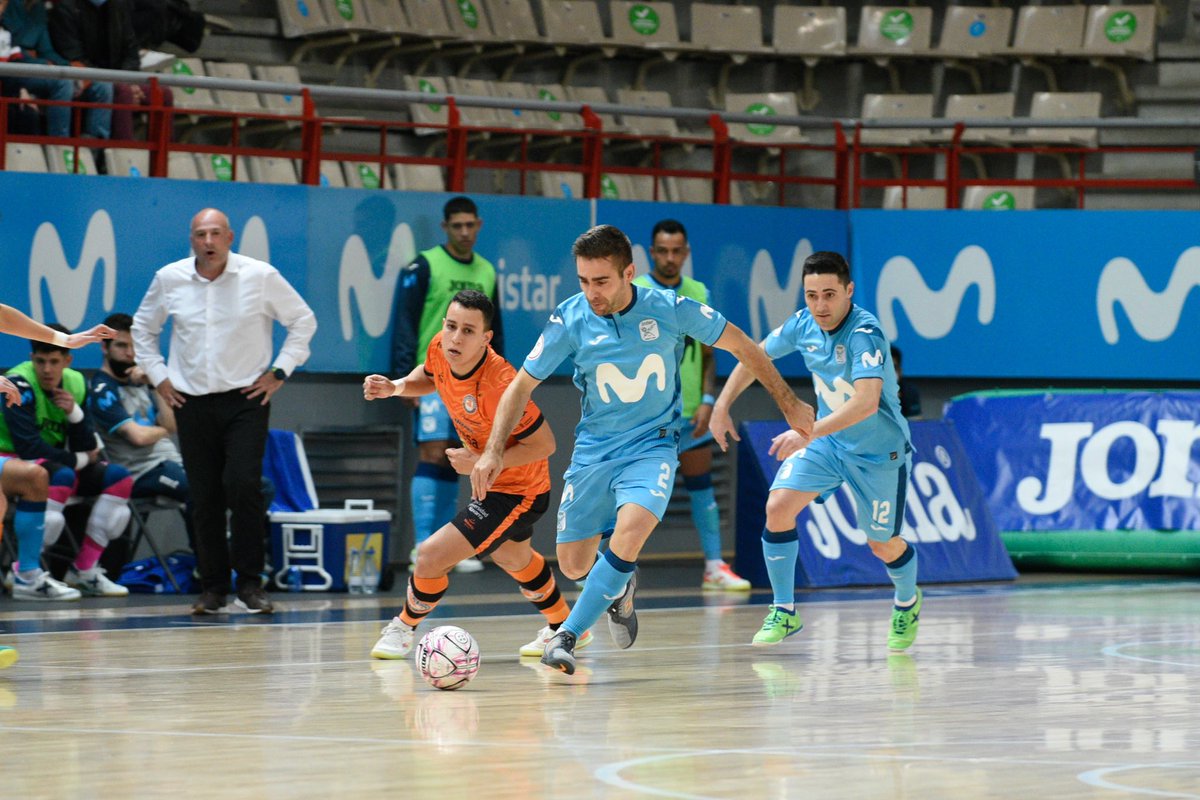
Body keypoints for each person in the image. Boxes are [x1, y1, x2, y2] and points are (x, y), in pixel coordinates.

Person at [470, 225, 814, 674]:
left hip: (653, 447)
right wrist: (493, 450)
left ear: (628, 273)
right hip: (594, 451)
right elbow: (519, 387)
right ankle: (621, 583)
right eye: (583, 281)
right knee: (573, 564)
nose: (591, 292)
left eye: (601, 281)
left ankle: (566, 636)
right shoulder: (570, 318)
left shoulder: (668, 308)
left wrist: (788, 402)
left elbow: (742, 345)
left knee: (631, 530)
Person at [709, 251, 922, 651]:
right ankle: (784, 610)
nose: (820, 306)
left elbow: (866, 403)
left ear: (849, 291)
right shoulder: (803, 324)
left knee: (882, 545)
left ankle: (907, 601)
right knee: (778, 506)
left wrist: (806, 433)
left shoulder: (864, 334)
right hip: (829, 443)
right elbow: (753, 355)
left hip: (879, 455)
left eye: (829, 294)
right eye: (811, 295)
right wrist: (721, 406)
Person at [365, 290, 593, 659]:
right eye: (451, 326)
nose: (456, 338)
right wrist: (397, 387)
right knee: (514, 558)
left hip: (520, 490)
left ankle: (403, 628)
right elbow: (430, 375)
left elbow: (545, 444)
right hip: (492, 483)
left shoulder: (501, 384)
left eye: (468, 331)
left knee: (430, 556)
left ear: (486, 338)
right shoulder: (441, 347)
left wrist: (480, 462)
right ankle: (565, 627)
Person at [132, 208, 317, 615]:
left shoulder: (260, 275)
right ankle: (213, 587)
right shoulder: (169, 278)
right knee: (204, 496)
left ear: (230, 237)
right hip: (190, 400)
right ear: (192, 240)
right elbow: (142, 329)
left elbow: (303, 321)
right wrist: (159, 376)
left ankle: (250, 584)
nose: (208, 242)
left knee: (243, 485)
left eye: (216, 233)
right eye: (201, 234)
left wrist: (280, 371)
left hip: (246, 397)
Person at [634, 219, 750, 591]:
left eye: (676, 251)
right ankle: (611, 567)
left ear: (686, 253)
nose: (670, 258)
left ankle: (714, 566)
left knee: (701, 487)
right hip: (648, 417)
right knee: (630, 491)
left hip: (691, 414)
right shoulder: (636, 291)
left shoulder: (699, 291)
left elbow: (709, 355)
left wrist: (708, 401)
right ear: (652, 253)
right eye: (663, 251)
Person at [392, 196, 504, 575]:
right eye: (457, 226)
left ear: (479, 225)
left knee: (462, 456)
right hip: (436, 378)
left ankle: (449, 548)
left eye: (470, 225)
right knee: (433, 452)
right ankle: (424, 546)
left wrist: (500, 386)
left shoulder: (487, 270)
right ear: (445, 228)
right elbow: (405, 320)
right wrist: (405, 377)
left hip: (476, 383)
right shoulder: (425, 265)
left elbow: (495, 331)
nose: (464, 232)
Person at [0, 307, 112, 667]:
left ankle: (27, 573)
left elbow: (2, 316)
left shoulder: (74, 383)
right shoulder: (23, 378)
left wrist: (65, 339)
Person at [0, 324, 133, 599]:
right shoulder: (20, 382)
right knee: (58, 476)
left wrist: (74, 413)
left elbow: (87, 443)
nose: (47, 369)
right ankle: (25, 570)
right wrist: (80, 459)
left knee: (118, 478)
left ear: (67, 360)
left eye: (54, 361)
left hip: (55, 462)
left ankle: (84, 571)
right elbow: (28, 448)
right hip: (14, 459)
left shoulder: (76, 382)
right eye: (40, 361)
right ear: (31, 359)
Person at [87, 312, 193, 528]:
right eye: (121, 346)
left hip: (171, 463)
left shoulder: (142, 382)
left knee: (251, 486)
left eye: (133, 346)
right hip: (138, 473)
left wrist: (153, 384)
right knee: (198, 492)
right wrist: (165, 430)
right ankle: (207, 551)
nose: (130, 353)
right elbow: (139, 437)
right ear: (104, 347)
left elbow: (172, 423)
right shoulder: (102, 390)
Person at [48, 0, 174, 142]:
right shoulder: (66, 9)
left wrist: (128, 81)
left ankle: (166, 151)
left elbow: (131, 52)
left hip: (119, 77)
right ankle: (122, 150)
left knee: (163, 93)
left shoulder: (119, 6)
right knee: (122, 92)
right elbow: (74, 56)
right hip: (86, 77)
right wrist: (120, 82)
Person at [1, 0, 114, 140]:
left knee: (102, 84)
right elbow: (11, 50)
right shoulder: (7, 5)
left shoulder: (38, 8)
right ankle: (59, 142)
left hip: (40, 67)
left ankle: (95, 143)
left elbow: (46, 50)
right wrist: (44, 64)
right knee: (63, 84)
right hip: (16, 69)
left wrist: (70, 68)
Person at [890, 345, 922, 419]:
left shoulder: (909, 392)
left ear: (900, 371)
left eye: (893, 367)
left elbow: (915, 422)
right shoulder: (863, 391)